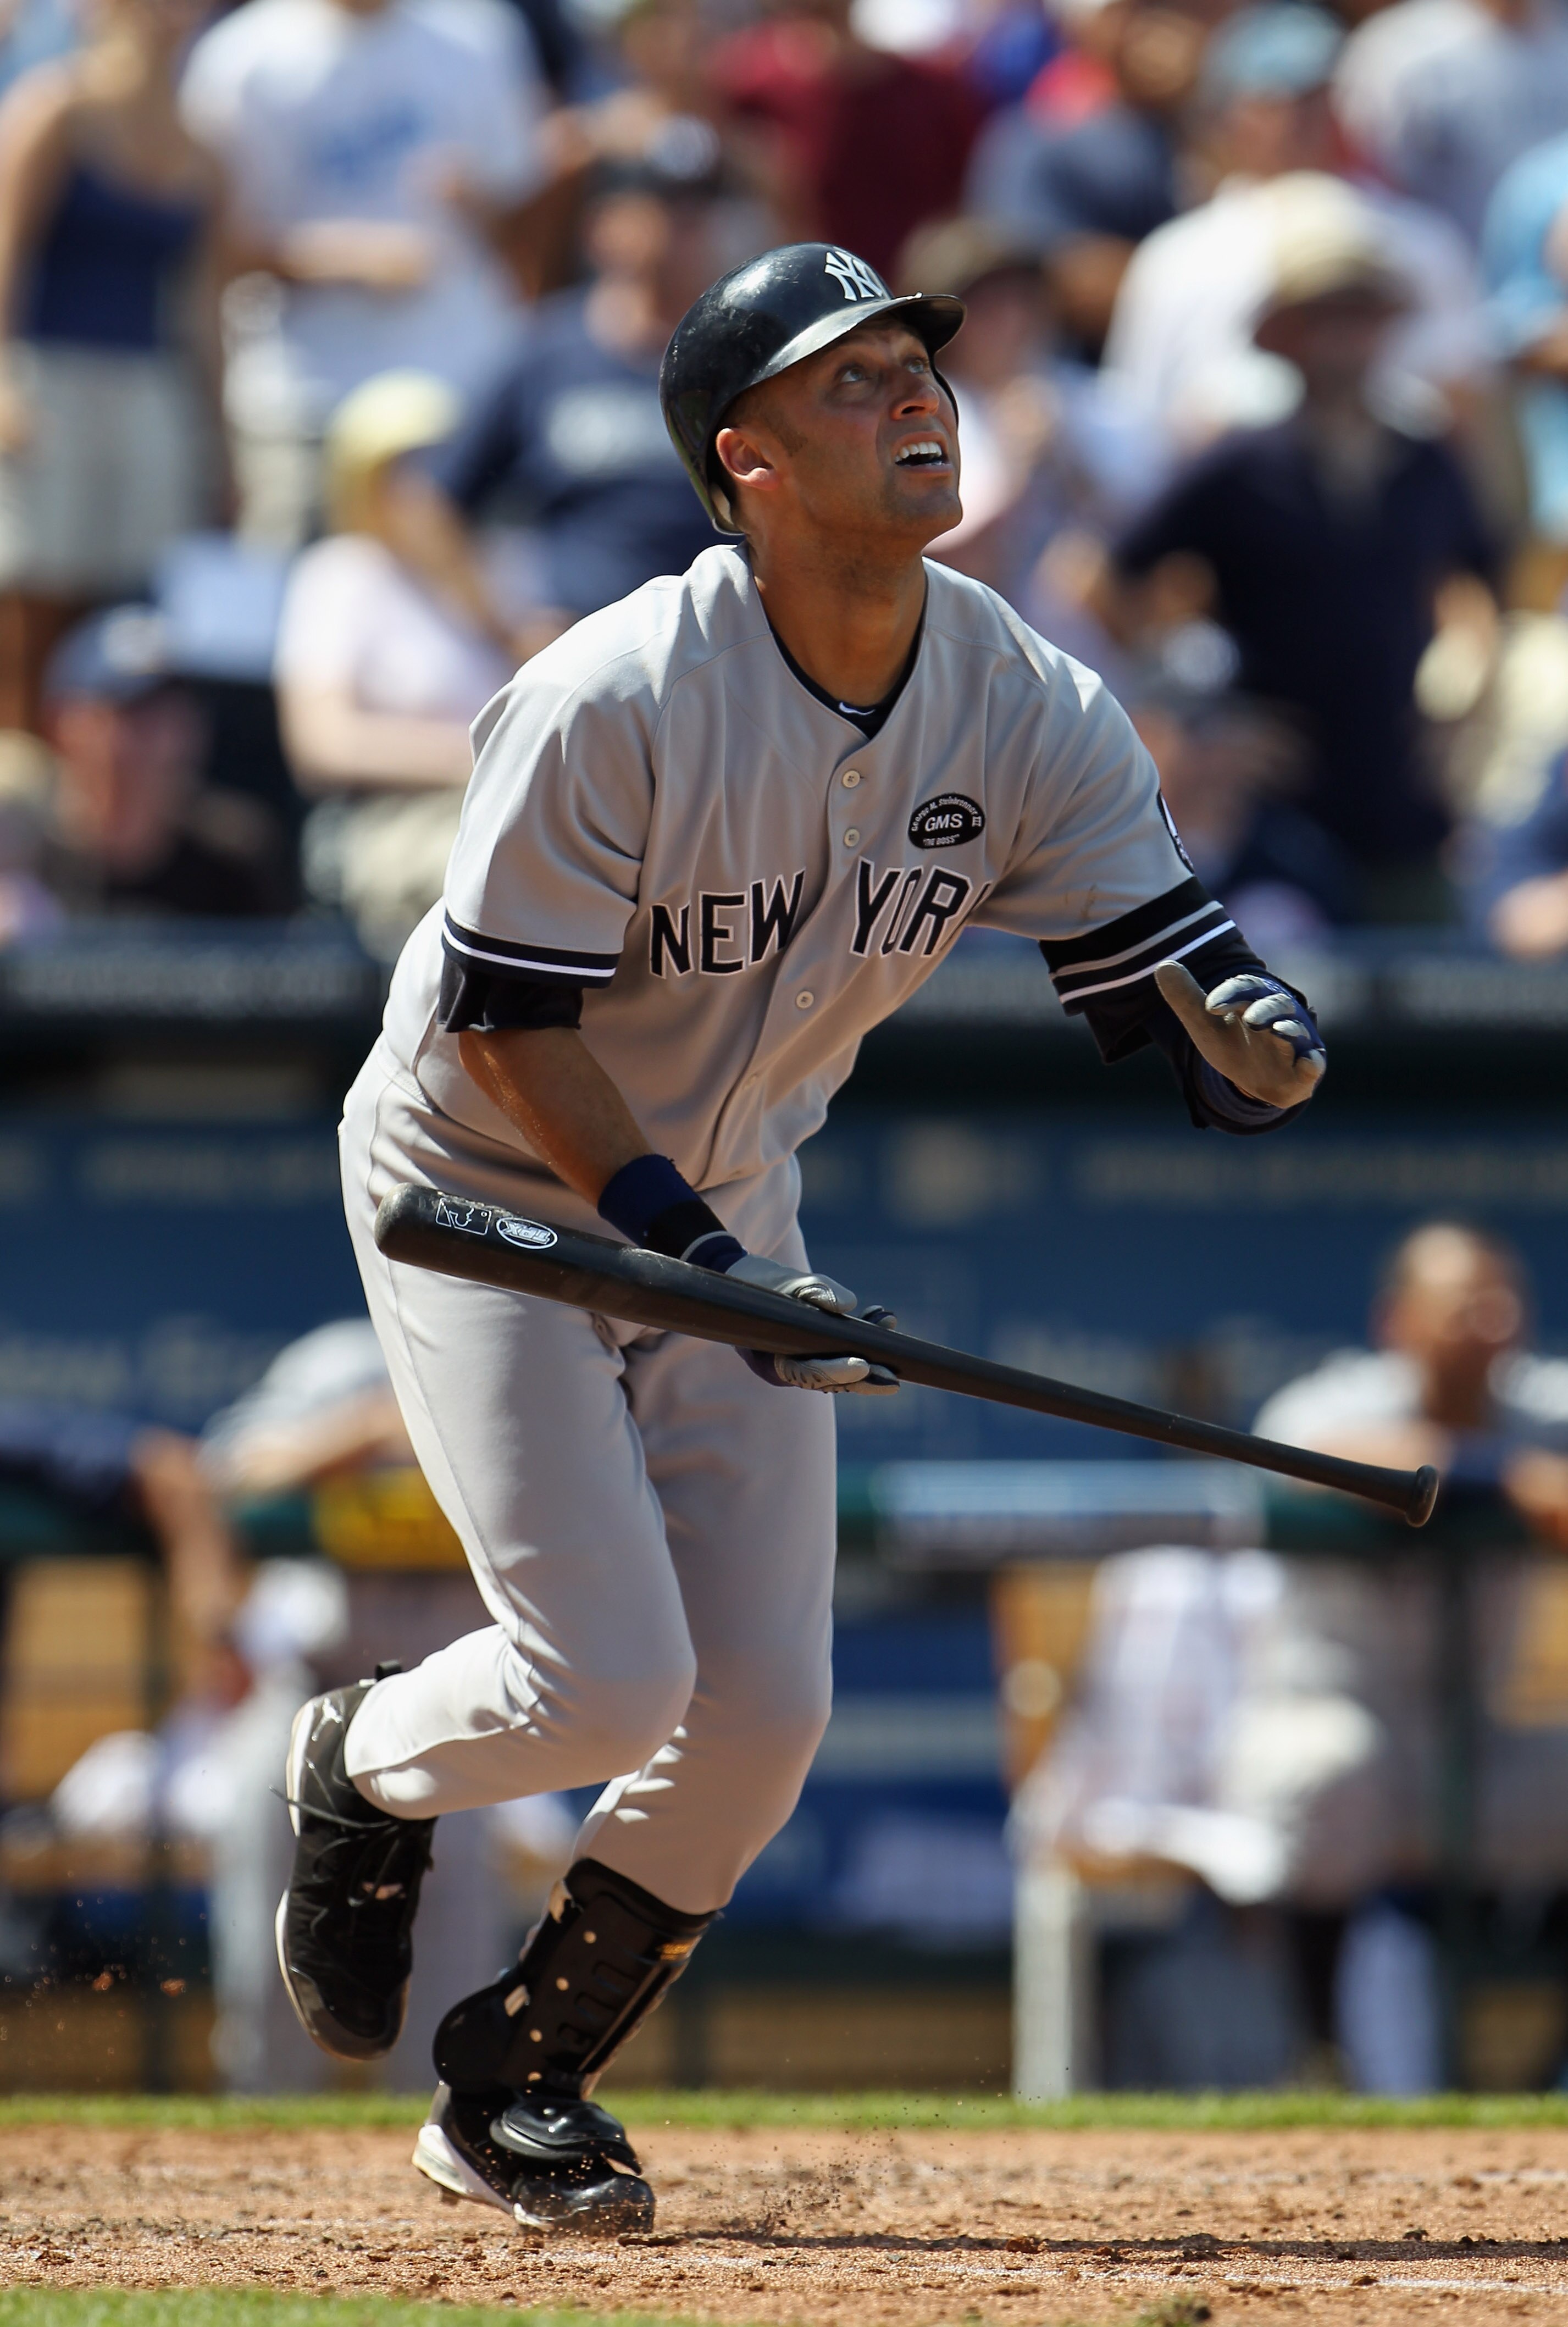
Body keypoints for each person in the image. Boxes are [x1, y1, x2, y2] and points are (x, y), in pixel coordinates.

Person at [276, 239, 1327, 2232]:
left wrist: (1247, 1035)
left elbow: (1170, 960)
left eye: (917, 364)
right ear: (741, 455)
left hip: (732, 1188)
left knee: (757, 1708)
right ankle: (365, 1755)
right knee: (602, 1679)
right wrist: (697, 1256)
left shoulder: (1022, 691)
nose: (916, 395)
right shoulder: (613, 689)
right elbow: (509, 1027)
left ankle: (514, 2078)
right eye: (853, 382)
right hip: (488, 1183)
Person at [1106, 220, 1496, 918]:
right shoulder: (1239, 465)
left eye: (1360, 318)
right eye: (1325, 320)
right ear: (1288, 336)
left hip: (1402, 798)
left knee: (1438, 996)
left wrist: (1463, 713)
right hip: (1277, 814)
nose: (1344, 340)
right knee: (1284, 998)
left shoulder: (1429, 462)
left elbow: (1485, 587)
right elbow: (1103, 575)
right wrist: (1199, 719)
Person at [179, 0, 550, 546]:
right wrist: (341, 258)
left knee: (463, 615)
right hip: (309, 400)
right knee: (291, 603)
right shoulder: (240, 59)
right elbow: (203, 248)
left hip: (461, 391)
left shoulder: (478, 34)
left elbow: (531, 211)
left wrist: (480, 203)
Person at [384, 153, 749, 663]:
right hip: (586, 661)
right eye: (668, 209)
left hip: (721, 658)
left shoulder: (743, 366)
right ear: (604, 227)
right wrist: (505, 630)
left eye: (701, 213)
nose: (689, 230)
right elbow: (423, 502)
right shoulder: (548, 356)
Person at [1100, 4, 1490, 455]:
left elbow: (1466, 404)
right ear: (1231, 114)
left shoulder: (1422, 241)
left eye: (1317, 96)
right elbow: (1141, 429)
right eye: (1277, 100)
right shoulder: (1174, 260)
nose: (1302, 118)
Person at [0, 0, 228, 731]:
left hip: (150, 392)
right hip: (48, 375)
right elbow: (6, 254)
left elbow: (202, 309)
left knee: (126, 609)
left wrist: (218, 442)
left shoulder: (203, 150)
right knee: (34, 601)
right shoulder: (54, 110)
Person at [273, 370, 514, 962]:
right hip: (398, 821)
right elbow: (323, 744)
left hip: (516, 806)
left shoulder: (510, 563)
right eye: (407, 465)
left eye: (444, 461)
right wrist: (478, 756)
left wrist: (470, 588)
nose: (429, 483)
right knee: (498, 879)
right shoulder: (342, 574)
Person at [965, 0, 1199, 359]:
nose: (1156, 30)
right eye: (1133, 11)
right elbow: (1068, 282)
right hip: (1074, 379)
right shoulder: (1039, 131)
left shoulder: (1200, 124)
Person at [36, 603, 288, 917]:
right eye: (135, 709)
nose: (167, 731)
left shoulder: (234, 855)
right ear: (64, 725)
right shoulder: (22, 853)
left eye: (178, 705)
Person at [711, 0, 980, 281]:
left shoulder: (936, 94)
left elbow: (960, 212)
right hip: (806, 295)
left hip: (913, 299)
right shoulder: (747, 88)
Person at [1333, 0, 1568, 251]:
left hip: (1549, 274)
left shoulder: (1558, 26)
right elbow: (1373, 188)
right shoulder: (1395, 50)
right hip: (1444, 271)